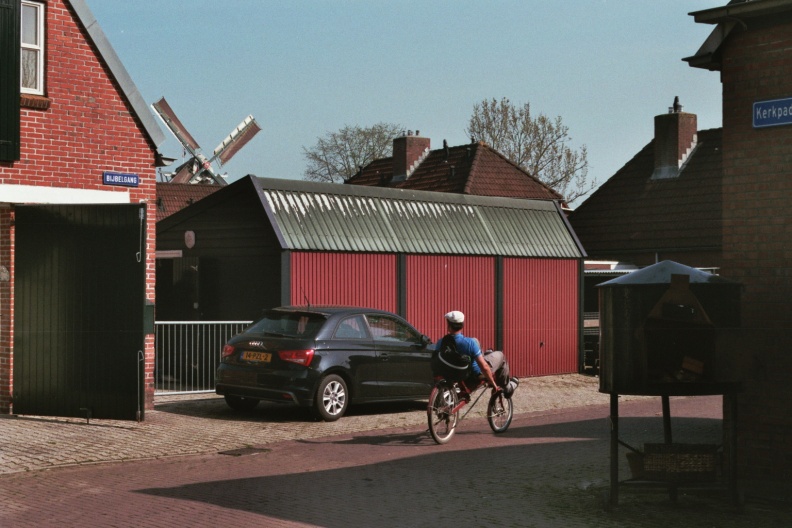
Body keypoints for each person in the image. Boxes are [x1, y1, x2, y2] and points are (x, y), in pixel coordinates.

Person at [436, 311, 501, 393]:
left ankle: (484, 354)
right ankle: (508, 387)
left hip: (450, 373)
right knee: (500, 355)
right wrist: (493, 384)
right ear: (462, 326)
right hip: (472, 374)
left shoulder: (440, 342)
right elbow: (484, 367)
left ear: (448, 326)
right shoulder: (469, 343)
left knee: (475, 341)